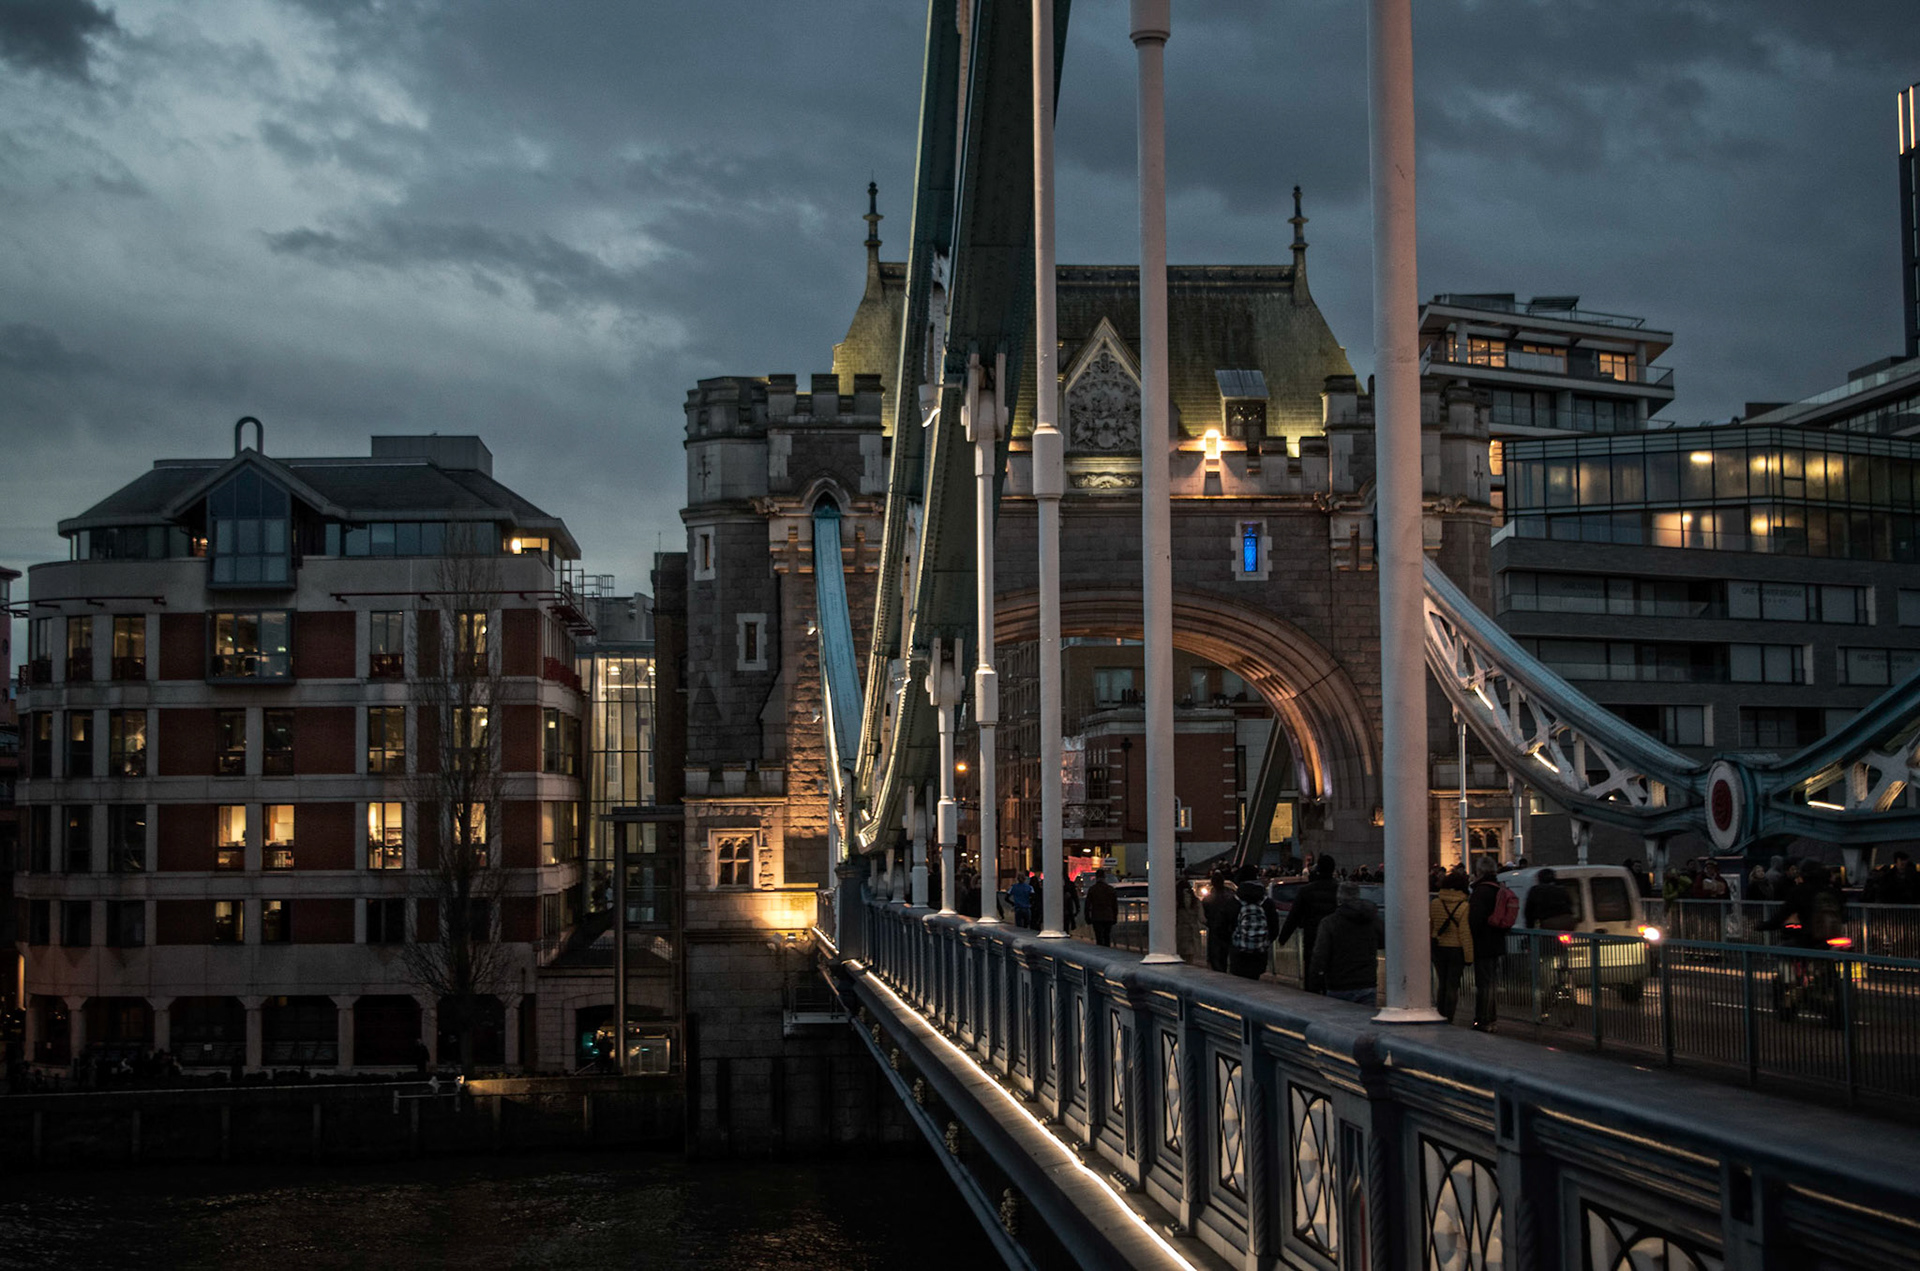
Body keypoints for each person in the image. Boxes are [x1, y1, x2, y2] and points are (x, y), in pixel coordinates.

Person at [1308, 881, 1384, 1004]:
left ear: (1339, 898)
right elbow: (1383, 941)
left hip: (1339, 983)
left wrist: (1314, 981)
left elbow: (1320, 955)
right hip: (1367, 981)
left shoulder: (1330, 922)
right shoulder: (1371, 919)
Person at [1277, 856, 1340, 989]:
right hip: (1335, 940)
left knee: (1312, 978)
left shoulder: (1306, 891)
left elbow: (1294, 916)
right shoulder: (1339, 890)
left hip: (1312, 938)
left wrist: (1283, 938)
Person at [1429, 867, 1475, 1024]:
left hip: (1438, 948)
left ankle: (1439, 1013)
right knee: (1452, 985)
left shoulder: (1435, 903)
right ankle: (1449, 1017)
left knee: (1442, 983)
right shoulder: (1464, 907)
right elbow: (1464, 934)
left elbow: (1431, 926)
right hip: (1456, 949)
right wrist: (1469, 957)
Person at [1467, 861, 1506, 1031]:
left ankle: (1483, 1019)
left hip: (1482, 943)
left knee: (1483, 984)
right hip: (1497, 942)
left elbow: (1474, 921)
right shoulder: (1499, 889)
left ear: (1480, 872)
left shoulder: (1479, 892)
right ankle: (1492, 1019)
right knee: (1491, 983)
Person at [1229, 869, 1278, 980]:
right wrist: (1265, 942)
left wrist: (1231, 943)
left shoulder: (1234, 902)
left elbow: (1221, 926)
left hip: (1238, 954)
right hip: (1259, 953)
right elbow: (1274, 927)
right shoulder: (1266, 902)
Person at [1202, 868, 1239, 972]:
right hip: (1228, 929)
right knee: (1225, 952)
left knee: (1215, 955)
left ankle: (1218, 970)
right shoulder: (1230, 896)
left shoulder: (1208, 899)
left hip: (1214, 928)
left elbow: (1205, 914)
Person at [1085, 870, 1119, 947]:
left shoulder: (1092, 889)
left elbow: (1087, 905)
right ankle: (1107, 951)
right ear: (1104, 877)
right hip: (1108, 916)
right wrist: (1115, 917)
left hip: (1096, 916)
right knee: (1107, 936)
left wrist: (1087, 917)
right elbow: (1114, 905)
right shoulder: (1110, 889)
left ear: (1096, 877)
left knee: (1099, 937)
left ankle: (1100, 952)